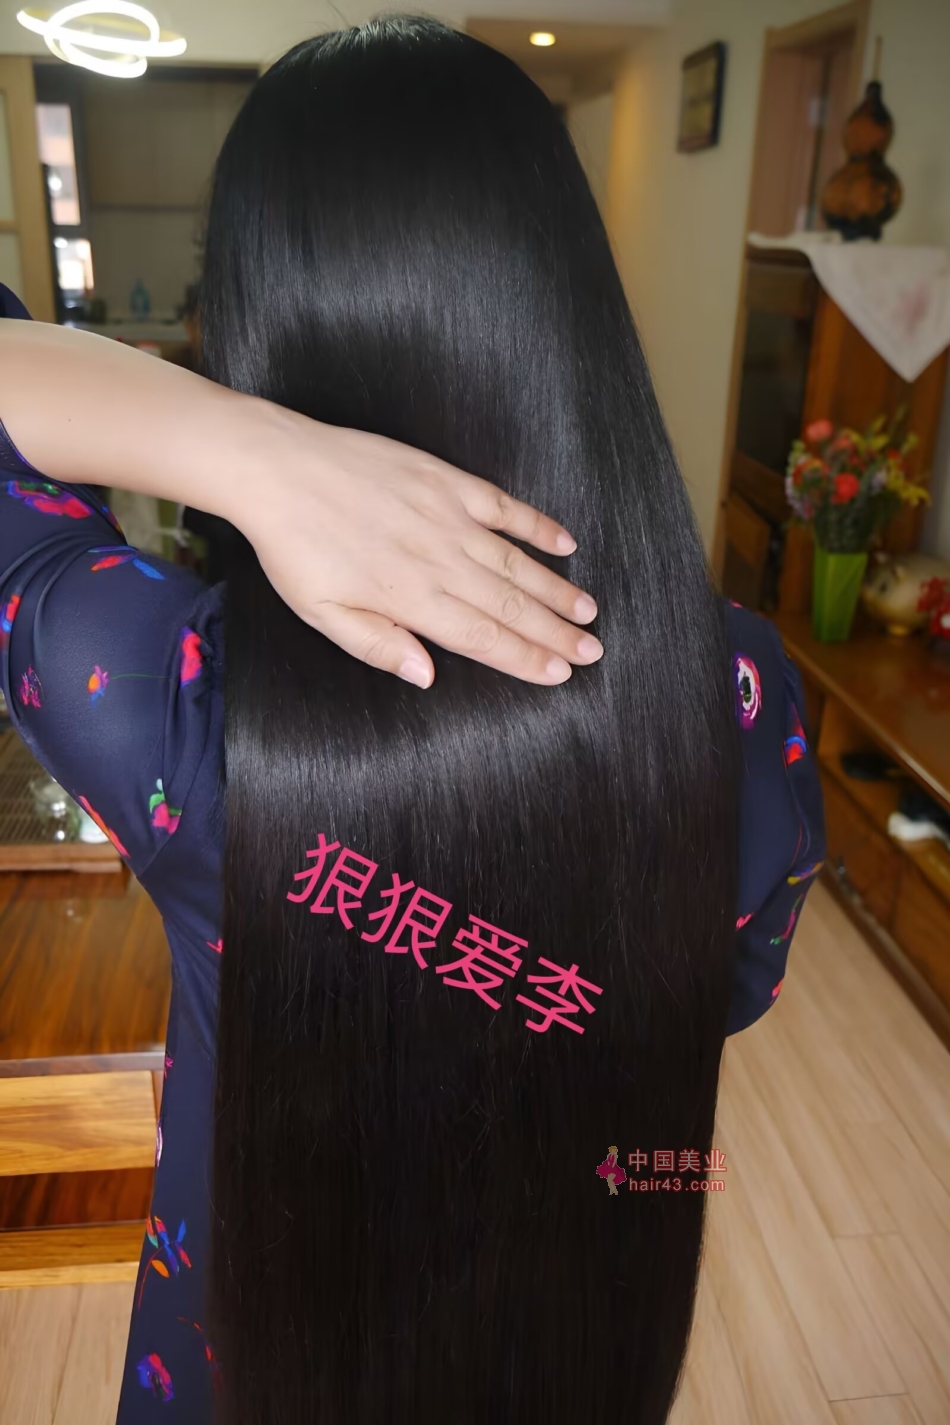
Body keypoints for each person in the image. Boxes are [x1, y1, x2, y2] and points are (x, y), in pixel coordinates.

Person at [0, 17, 825, 1425]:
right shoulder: (737, 687)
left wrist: (245, 450)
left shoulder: (180, 708)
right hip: (577, 1353)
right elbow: (729, 989)